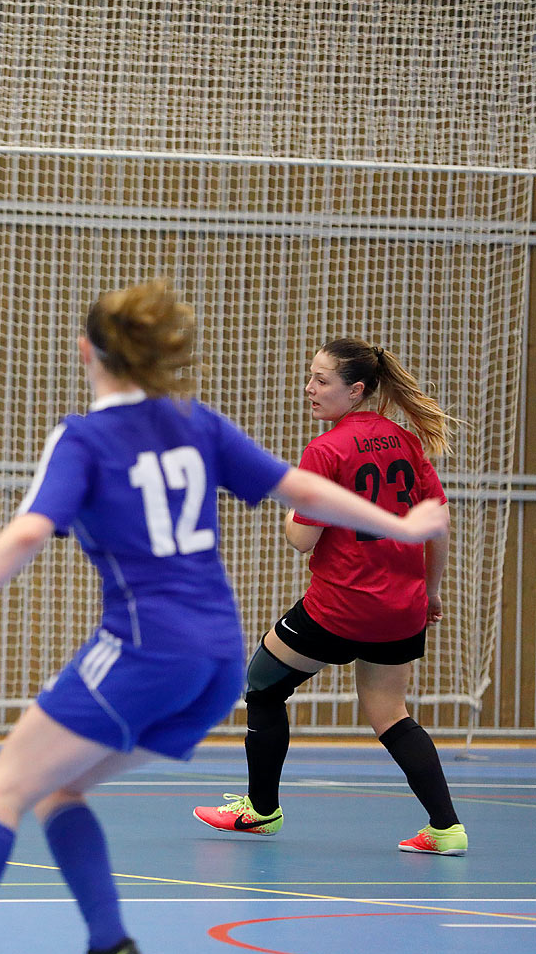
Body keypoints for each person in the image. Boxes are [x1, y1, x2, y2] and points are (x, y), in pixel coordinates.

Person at [0, 283, 448, 954]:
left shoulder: (85, 437)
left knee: (3, 787)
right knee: (59, 790)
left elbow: (31, 530)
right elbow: (296, 487)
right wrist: (400, 524)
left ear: (86, 351)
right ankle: (110, 947)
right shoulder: (196, 422)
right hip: (217, 660)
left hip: (143, 651)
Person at [193, 339, 465, 855]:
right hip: (400, 607)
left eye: (321, 380)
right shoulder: (405, 442)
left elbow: (303, 540)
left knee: (263, 685)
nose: (309, 389)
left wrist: (289, 504)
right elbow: (439, 525)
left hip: (341, 606)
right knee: (391, 715)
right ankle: (447, 828)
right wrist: (428, 593)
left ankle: (260, 809)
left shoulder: (327, 449)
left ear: (356, 390)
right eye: (310, 377)